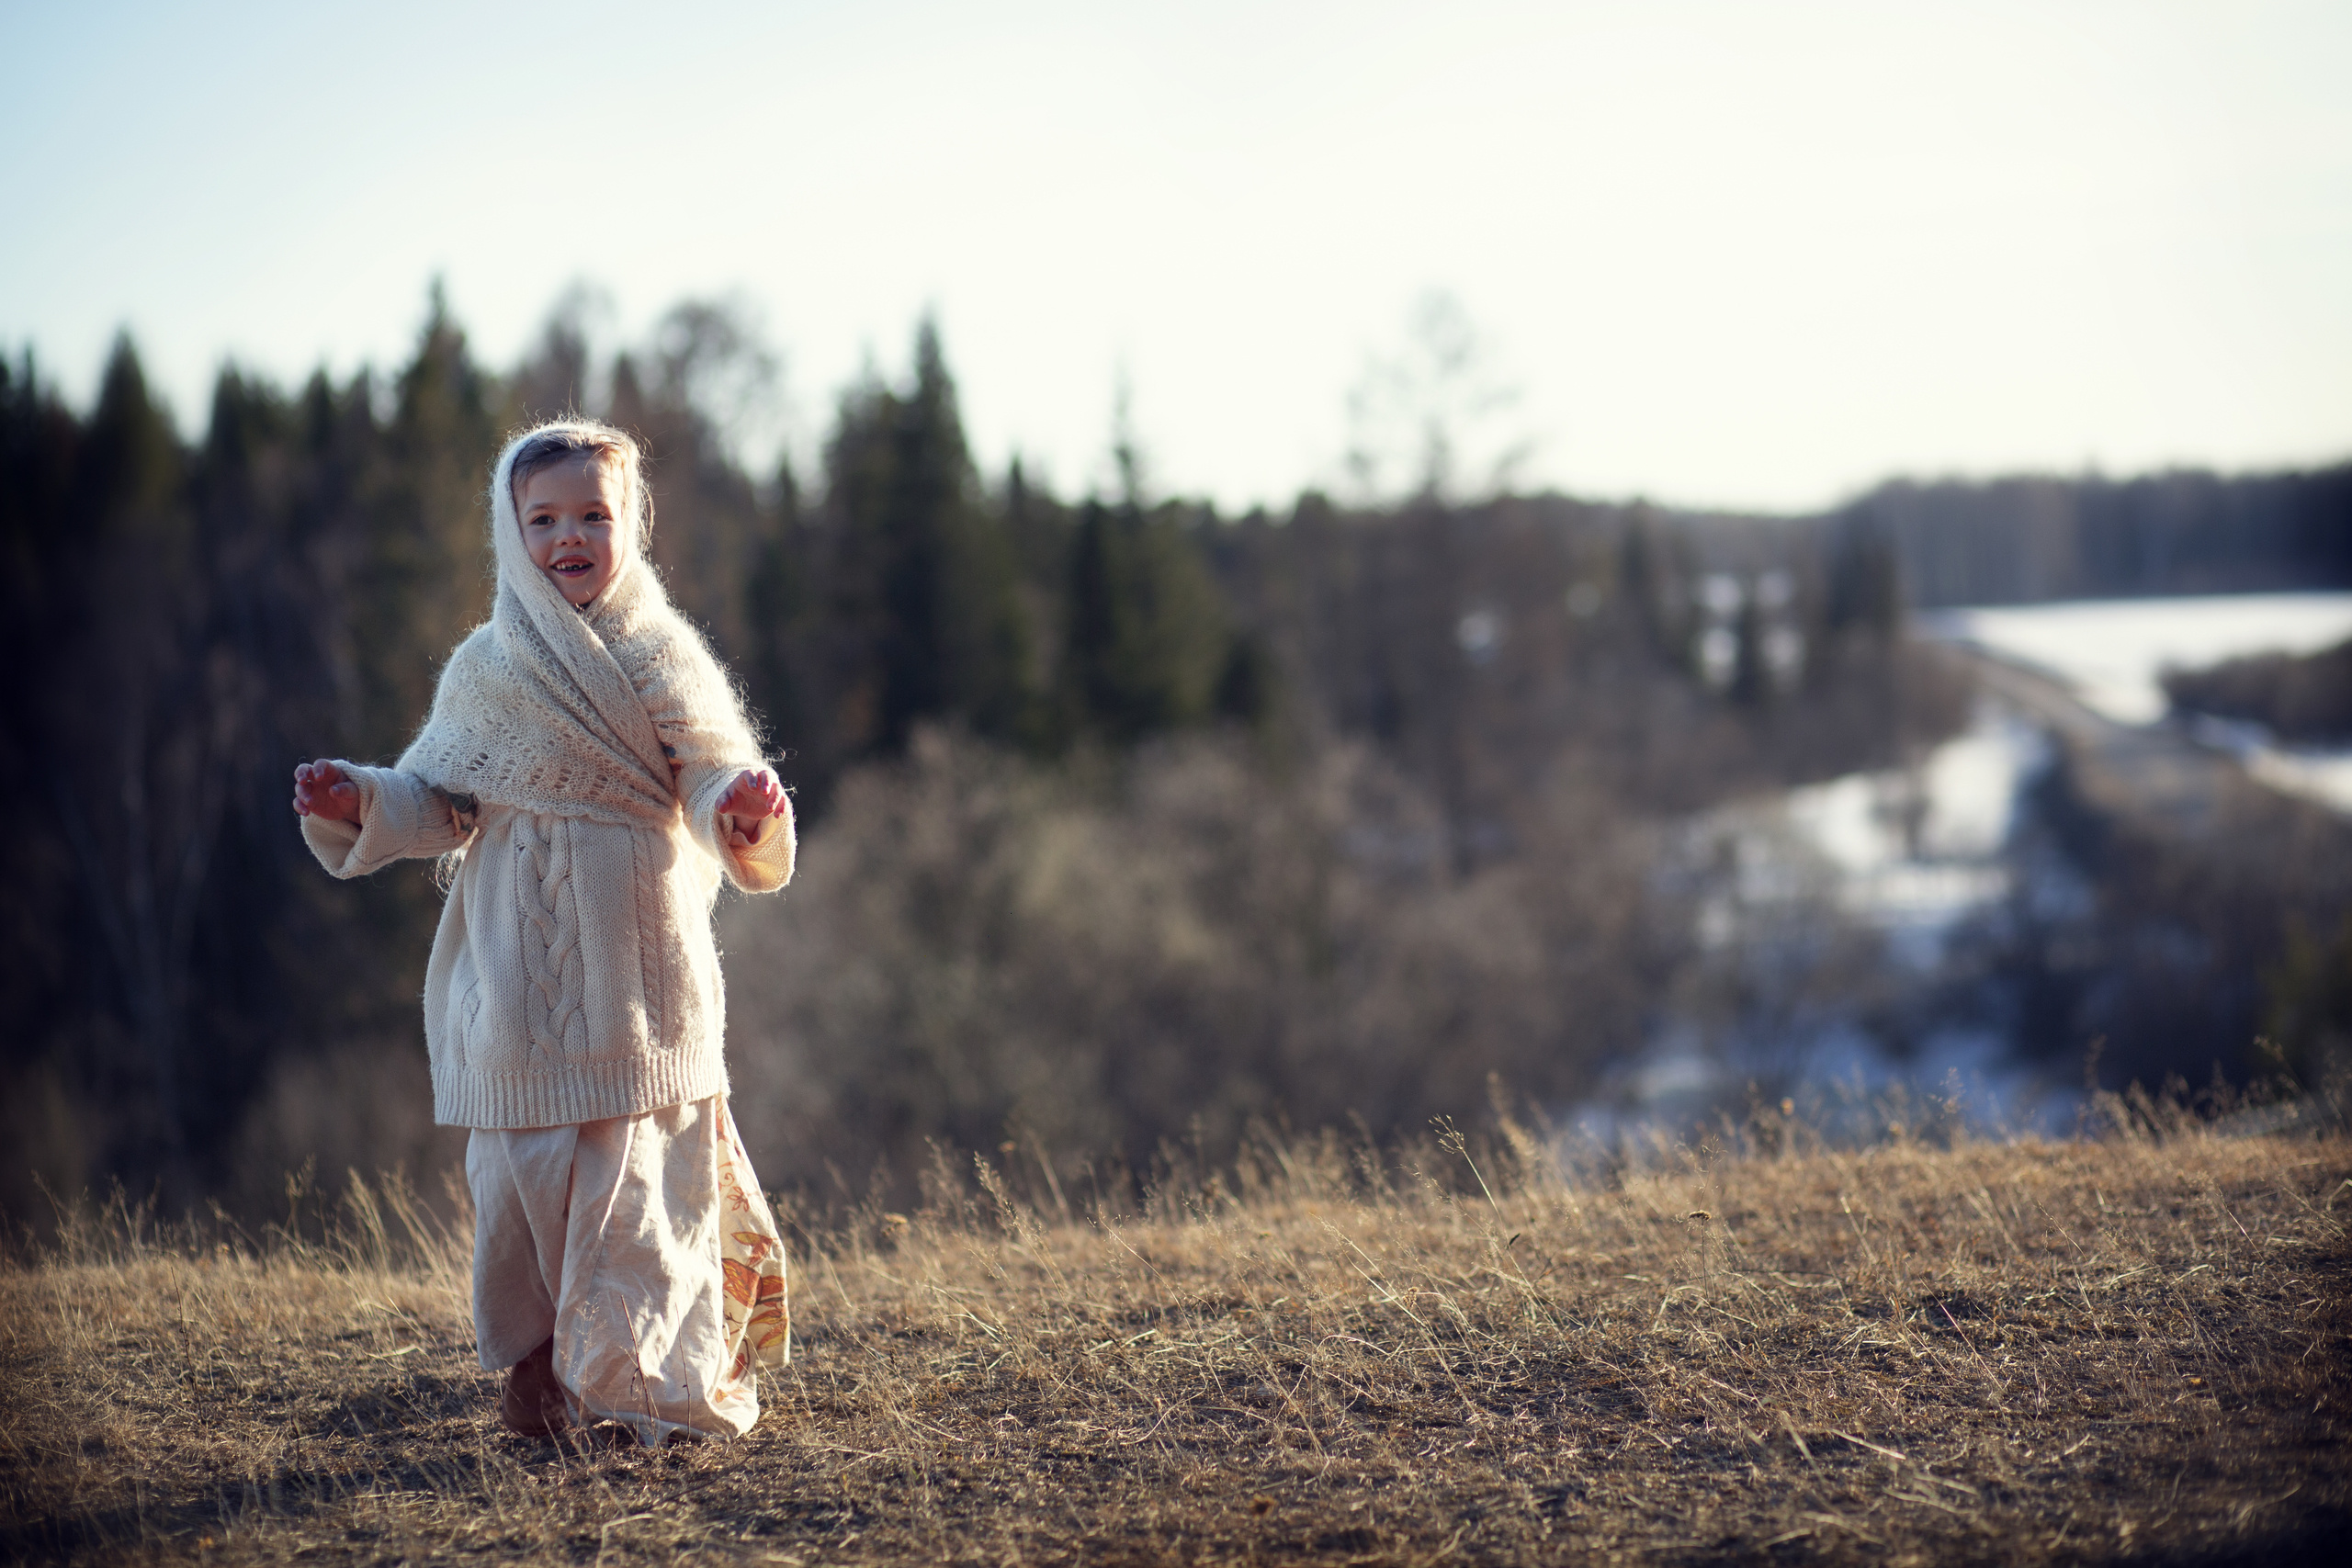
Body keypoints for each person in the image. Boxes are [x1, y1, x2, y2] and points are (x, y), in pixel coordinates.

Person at [291, 420, 793, 1444]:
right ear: (510, 531)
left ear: (633, 524)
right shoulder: (487, 668)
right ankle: (536, 1376)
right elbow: (437, 797)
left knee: (639, 1214)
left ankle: (636, 1396)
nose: (570, 537)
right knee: (523, 1204)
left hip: (643, 988)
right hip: (520, 993)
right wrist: (358, 800)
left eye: (593, 516)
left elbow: (709, 776)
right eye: (545, 519)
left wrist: (739, 806)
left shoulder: (662, 652)